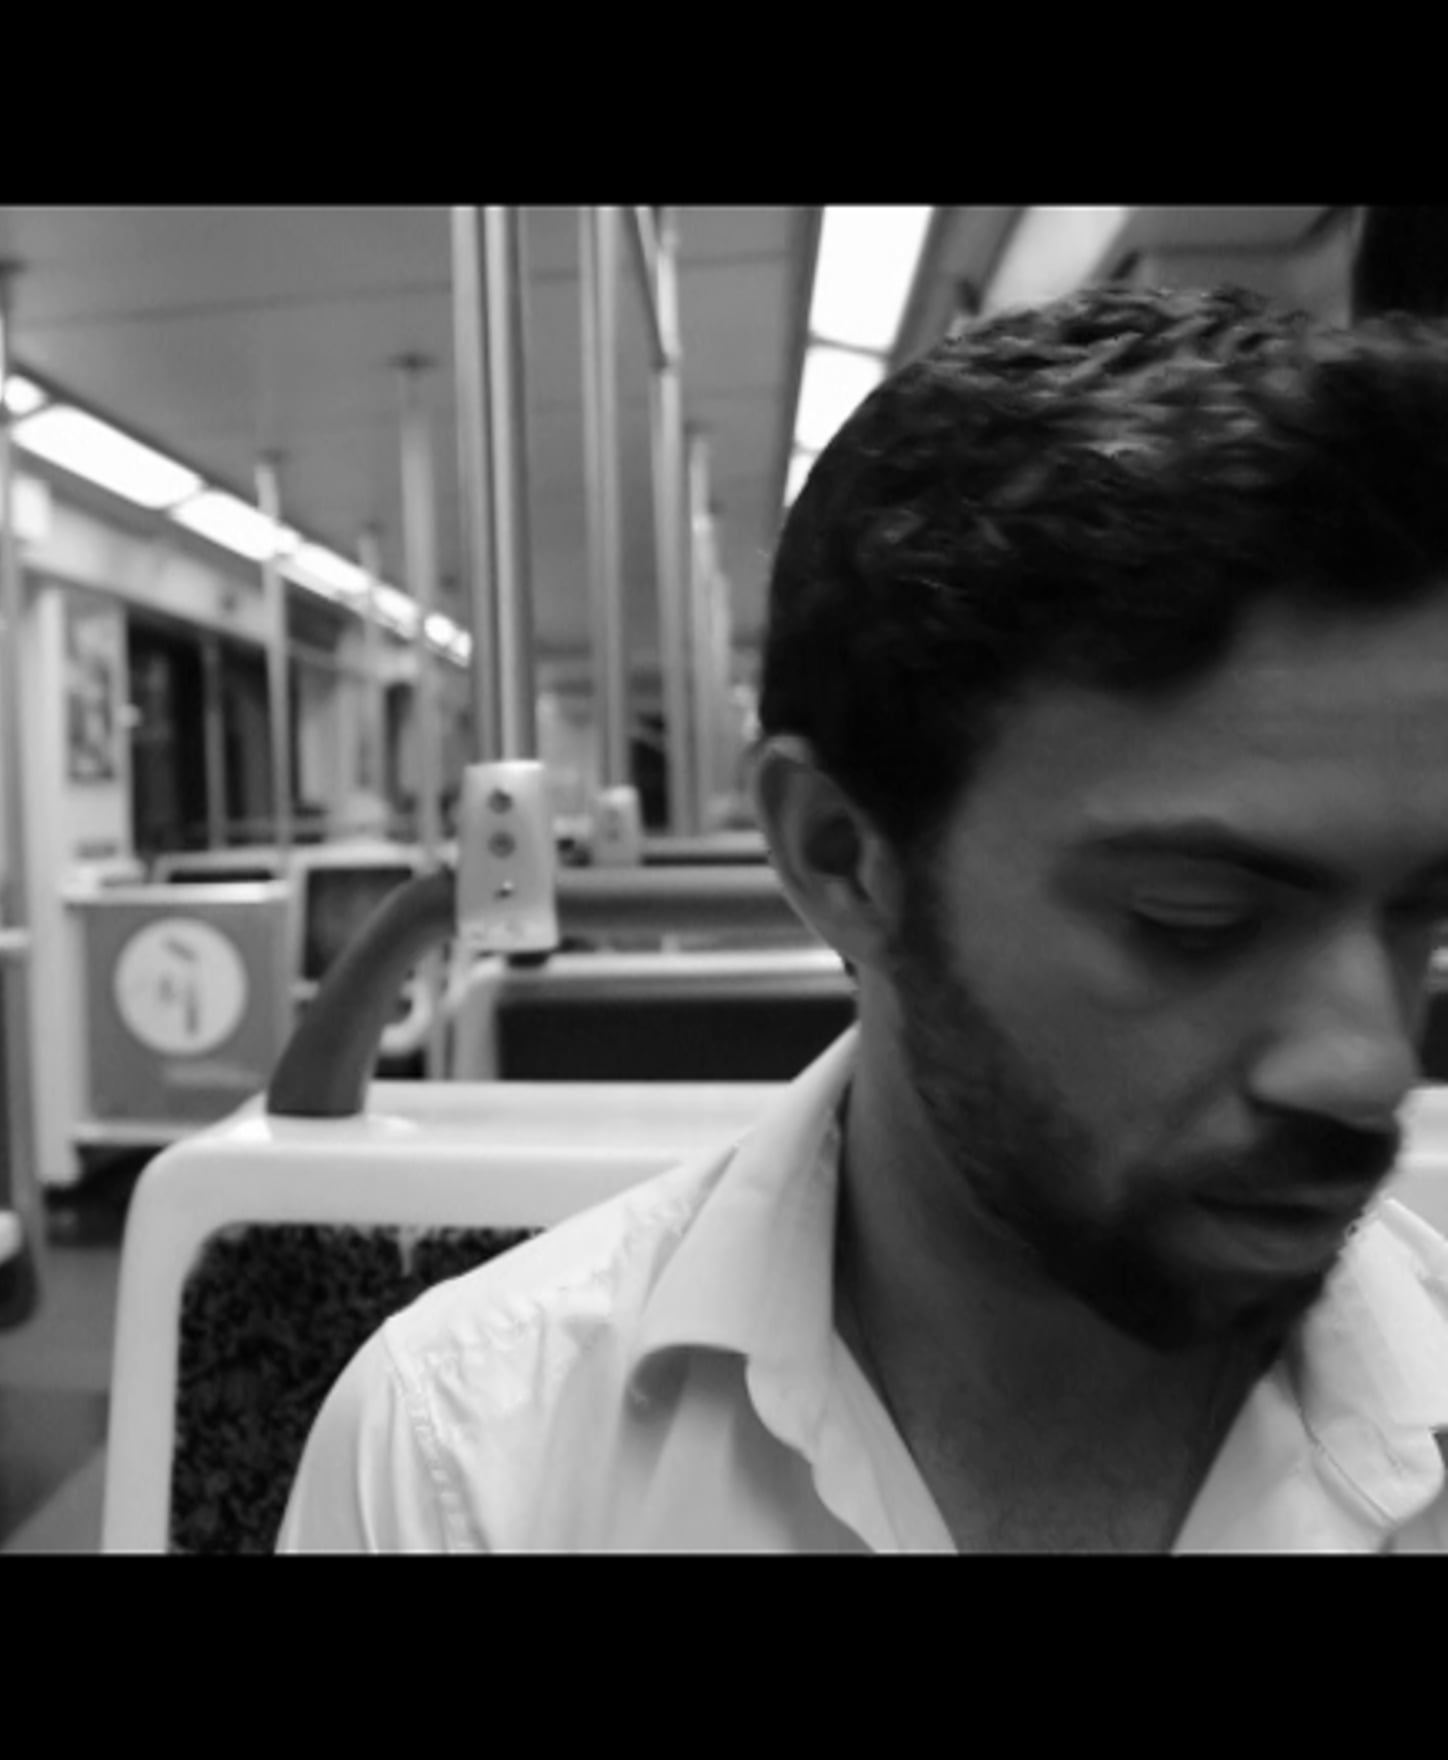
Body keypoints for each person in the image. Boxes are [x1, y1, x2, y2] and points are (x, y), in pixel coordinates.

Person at [279, 282, 1448, 1553]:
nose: (1369, 1063)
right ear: (840, 855)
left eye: (1424, 916)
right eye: (1194, 917)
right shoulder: (465, 1465)